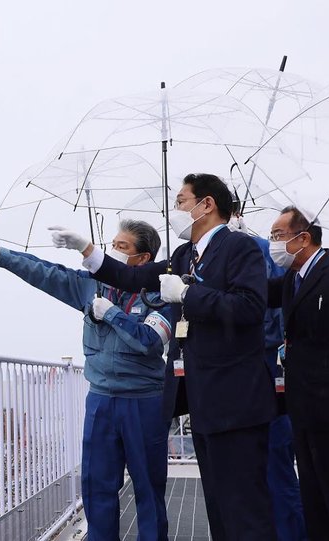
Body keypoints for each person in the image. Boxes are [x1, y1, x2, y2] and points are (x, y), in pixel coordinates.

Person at [53, 173, 277, 540]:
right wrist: (86, 249)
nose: (175, 210)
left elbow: (251, 307)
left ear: (207, 204)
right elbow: (130, 277)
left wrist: (188, 294)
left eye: (180, 201)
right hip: (203, 401)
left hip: (236, 402)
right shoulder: (184, 255)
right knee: (219, 509)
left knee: (244, 510)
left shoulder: (240, 248)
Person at [0, 219, 173, 541]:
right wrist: (0, 255)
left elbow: (150, 342)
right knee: (96, 484)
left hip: (143, 401)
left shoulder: (162, 294)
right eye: (112, 244)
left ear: (143, 259)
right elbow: (46, 273)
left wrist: (113, 314)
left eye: (123, 247)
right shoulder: (92, 286)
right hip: (100, 399)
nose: (113, 251)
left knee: (148, 488)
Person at [229, 213, 307, 541]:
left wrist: (256, 243)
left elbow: (278, 289)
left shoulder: (264, 252)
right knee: (245, 475)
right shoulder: (214, 256)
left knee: (277, 469)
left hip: (269, 370)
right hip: (235, 376)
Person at [267, 205, 329, 539]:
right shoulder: (293, 276)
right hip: (302, 407)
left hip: (326, 407)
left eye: (278, 235)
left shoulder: (328, 272)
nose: (273, 243)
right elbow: (260, 294)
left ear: (303, 237)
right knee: (313, 496)